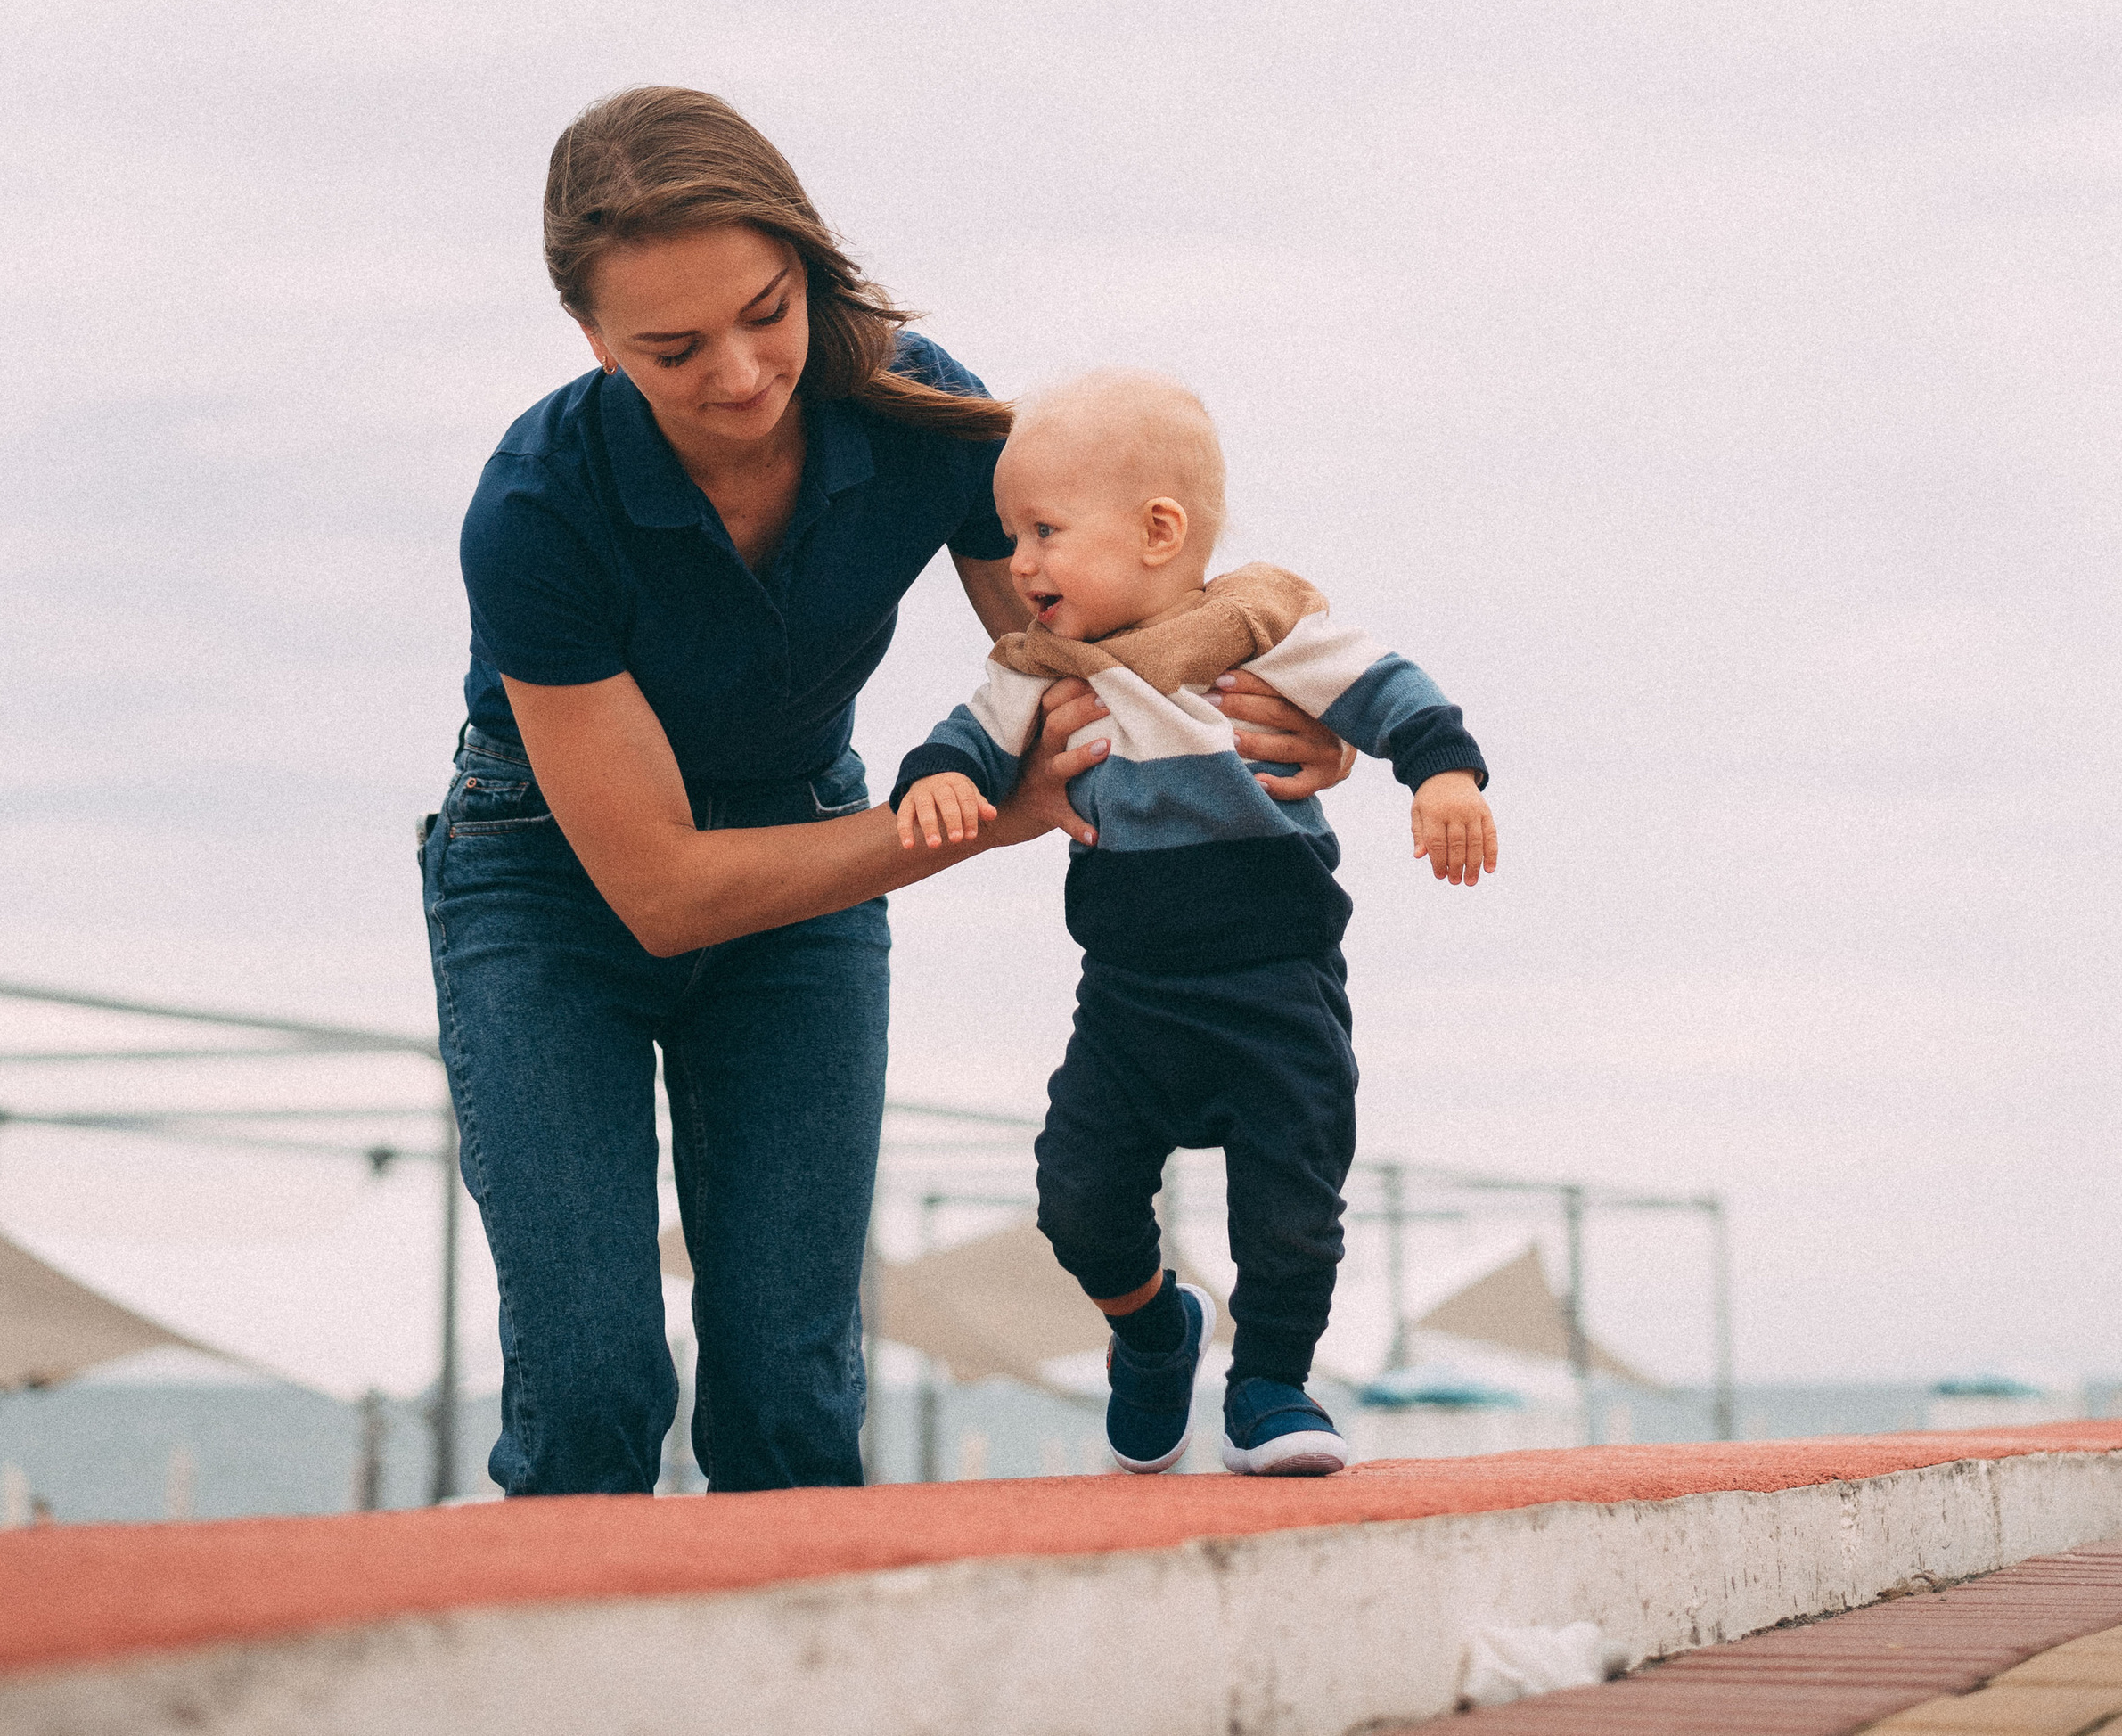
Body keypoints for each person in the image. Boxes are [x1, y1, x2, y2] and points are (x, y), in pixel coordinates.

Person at [422, 91, 1356, 1498]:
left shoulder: (918, 403)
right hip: (554, 884)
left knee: (792, 1395)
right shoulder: (536, 508)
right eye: (673, 348)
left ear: (809, 264)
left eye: (768, 309)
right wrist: (989, 813)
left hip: (812, 830)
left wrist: (1284, 718)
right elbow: (663, 892)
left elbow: (1085, 648)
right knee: (596, 1386)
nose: (740, 373)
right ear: (594, 340)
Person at [892, 368, 1496, 1477]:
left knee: (1291, 1202)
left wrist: (1443, 777)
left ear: (1158, 531)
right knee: (1076, 1196)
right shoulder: (1043, 665)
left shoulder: (1258, 626)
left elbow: (1389, 688)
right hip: (1127, 995)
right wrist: (934, 780)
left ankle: (1270, 1385)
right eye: (1009, 534)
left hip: (1274, 984)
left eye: (1042, 531)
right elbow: (967, 735)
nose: (1016, 562)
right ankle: (1150, 1327)